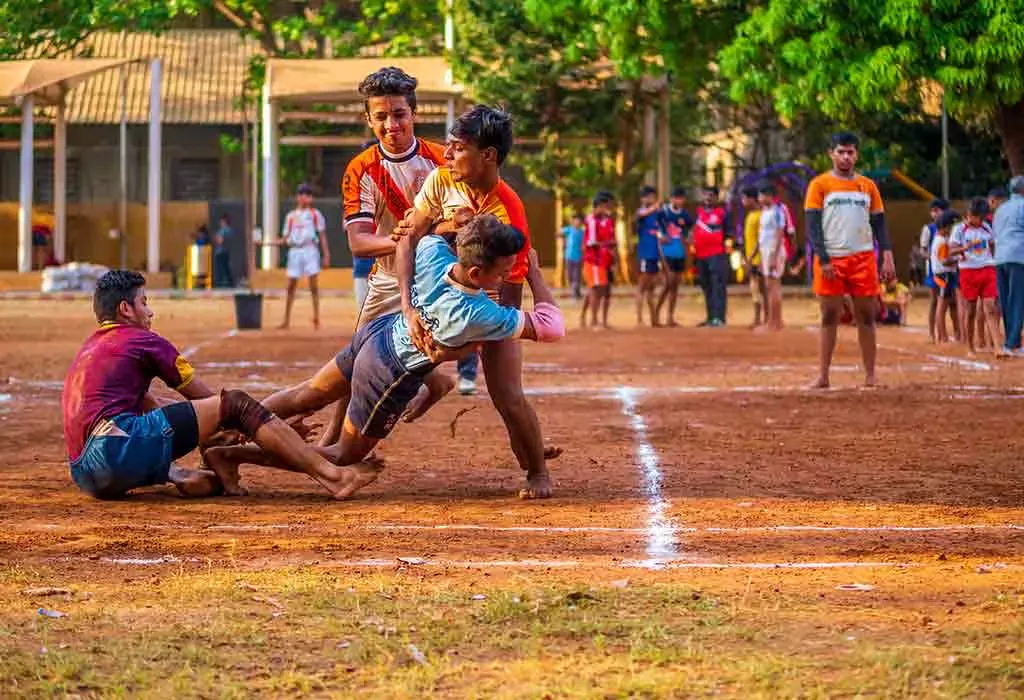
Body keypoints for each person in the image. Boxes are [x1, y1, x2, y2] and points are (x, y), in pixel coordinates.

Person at [207, 216, 565, 497]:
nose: (505, 280)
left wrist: (453, 228)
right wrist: (533, 274)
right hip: (388, 374)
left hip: (377, 332)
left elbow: (412, 237)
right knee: (342, 455)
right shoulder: (477, 312)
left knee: (307, 394)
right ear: (476, 273)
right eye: (503, 272)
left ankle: (226, 430)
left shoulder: (433, 255)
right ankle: (231, 455)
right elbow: (552, 326)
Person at [61, 270, 377, 501]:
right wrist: (264, 425)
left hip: (86, 473)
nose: (151, 311)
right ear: (125, 310)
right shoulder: (143, 341)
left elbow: (153, 406)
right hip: (115, 451)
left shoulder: (94, 348)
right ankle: (332, 477)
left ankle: (214, 466)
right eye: (144, 302)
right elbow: (216, 403)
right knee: (236, 403)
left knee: (205, 469)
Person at [393, 105, 560, 498]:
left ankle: (536, 470)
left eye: (457, 148)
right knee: (397, 352)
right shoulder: (441, 180)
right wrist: (408, 306)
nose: (446, 155)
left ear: (488, 156)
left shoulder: (510, 215)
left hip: (488, 303)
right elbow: (409, 237)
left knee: (507, 394)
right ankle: (432, 383)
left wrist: (474, 342)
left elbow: (509, 295)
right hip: (437, 293)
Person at [323, 68, 452, 441]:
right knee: (357, 354)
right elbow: (359, 242)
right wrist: (402, 240)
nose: (391, 124)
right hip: (388, 277)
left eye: (399, 114)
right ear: (368, 120)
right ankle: (331, 438)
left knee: (458, 343)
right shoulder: (360, 169)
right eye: (381, 116)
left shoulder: (443, 161)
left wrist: (427, 235)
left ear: (414, 114)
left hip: (438, 276)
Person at [805, 132, 895, 389]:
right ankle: (823, 376)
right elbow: (812, 226)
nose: (846, 157)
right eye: (841, 151)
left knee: (867, 316)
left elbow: (879, 224)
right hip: (831, 259)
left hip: (863, 258)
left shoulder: (868, 186)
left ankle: (871, 375)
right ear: (831, 153)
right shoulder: (819, 185)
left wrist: (887, 255)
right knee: (829, 316)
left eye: (851, 152)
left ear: (856, 155)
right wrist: (822, 258)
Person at [269, 184, 331, 330]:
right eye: (302, 194)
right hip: (295, 251)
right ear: (298, 197)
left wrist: (326, 254)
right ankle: (286, 319)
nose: (304, 197)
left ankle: (316, 318)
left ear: (311, 198)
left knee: (313, 286)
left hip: (310, 250)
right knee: (290, 286)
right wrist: (269, 243)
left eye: (307, 194)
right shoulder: (291, 216)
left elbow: (322, 236)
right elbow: (285, 238)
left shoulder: (316, 215)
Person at [950, 197, 1002, 355]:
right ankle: (970, 346)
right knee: (971, 310)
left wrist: (992, 259)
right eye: (973, 216)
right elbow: (951, 250)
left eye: (978, 217)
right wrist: (965, 248)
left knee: (990, 307)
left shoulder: (986, 228)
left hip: (987, 269)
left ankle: (997, 346)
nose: (975, 219)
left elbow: (993, 244)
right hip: (968, 271)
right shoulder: (959, 229)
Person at [919, 198, 960, 342]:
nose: (934, 213)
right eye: (933, 210)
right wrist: (933, 257)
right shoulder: (929, 230)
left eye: (937, 210)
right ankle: (933, 333)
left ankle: (956, 332)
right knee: (936, 302)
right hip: (936, 269)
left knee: (951, 302)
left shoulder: (949, 232)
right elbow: (923, 250)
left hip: (944, 268)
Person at [993, 175, 1024, 356]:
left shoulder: (1000, 209)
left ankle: (1010, 341)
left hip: (1001, 256)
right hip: (1019, 256)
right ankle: (1013, 344)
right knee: (1018, 299)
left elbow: (997, 232)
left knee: (1005, 300)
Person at [693, 185, 730, 327]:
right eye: (705, 195)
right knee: (706, 285)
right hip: (701, 255)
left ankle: (719, 317)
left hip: (717, 254)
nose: (708, 198)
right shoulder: (698, 213)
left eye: (711, 195)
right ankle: (710, 316)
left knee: (718, 285)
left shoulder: (722, 213)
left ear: (716, 197)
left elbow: (728, 232)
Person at [655, 187, 692, 326]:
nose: (679, 201)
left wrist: (688, 239)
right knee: (667, 283)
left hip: (679, 251)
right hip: (666, 251)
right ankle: (656, 313)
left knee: (675, 285)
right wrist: (660, 236)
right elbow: (656, 227)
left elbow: (689, 229)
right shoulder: (663, 212)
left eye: (681, 198)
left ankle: (670, 316)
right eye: (676, 198)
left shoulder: (685, 216)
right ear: (671, 199)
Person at [582, 191, 617, 330]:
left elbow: (611, 240)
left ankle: (602, 320)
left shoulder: (609, 221)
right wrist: (608, 243)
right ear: (597, 206)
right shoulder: (591, 220)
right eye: (603, 206)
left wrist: (614, 257)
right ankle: (594, 320)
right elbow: (591, 243)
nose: (606, 209)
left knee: (604, 290)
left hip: (606, 260)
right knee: (596, 289)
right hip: (594, 260)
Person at [755, 183, 787, 330]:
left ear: (769, 196)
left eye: (761, 195)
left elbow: (780, 234)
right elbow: (762, 236)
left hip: (774, 250)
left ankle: (775, 322)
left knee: (774, 286)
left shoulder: (777, 212)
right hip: (766, 250)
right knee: (769, 286)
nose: (759, 198)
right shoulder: (764, 211)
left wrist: (774, 255)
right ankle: (774, 321)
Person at [634, 185, 665, 327]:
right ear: (643, 198)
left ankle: (654, 318)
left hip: (655, 254)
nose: (651, 199)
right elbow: (639, 216)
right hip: (645, 253)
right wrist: (654, 207)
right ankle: (639, 319)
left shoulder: (656, 215)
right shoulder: (641, 212)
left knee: (651, 287)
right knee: (642, 286)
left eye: (653, 197)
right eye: (649, 197)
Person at [929, 209, 961, 344]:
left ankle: (947, 335)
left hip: (941, 274)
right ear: (945, 227)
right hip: (944, 275)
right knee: (942, 306)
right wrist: (959, 258)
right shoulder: (942, 241)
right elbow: (944, 260)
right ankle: (943, 336)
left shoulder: (939, 239)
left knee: (946, 304)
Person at [739, 188, 765, 327]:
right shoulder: (750, 215)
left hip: (758, 258)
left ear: (751, 199)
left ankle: (764, 318)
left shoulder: (760, 215)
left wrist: (751, 257)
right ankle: (758, 318)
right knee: (754, 288)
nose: (743, 201)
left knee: (760, 288)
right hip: (751, 257)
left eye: (744, 198)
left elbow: (761, 239)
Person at [561, 212, 585, 300]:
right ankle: (577, 292)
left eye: (579, 221)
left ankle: (575, 294)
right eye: (575, 221)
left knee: (576, 276)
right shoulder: (569, 230)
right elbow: (559, 233)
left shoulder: (582, 233)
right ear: (573, 221)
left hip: (578, 257)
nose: (577, 222)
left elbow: (584, 244)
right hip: (568, 256)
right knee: (570, 276)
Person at [213, 213, 234, 288]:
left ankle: (218, 285)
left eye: (221, 221)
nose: (220, 222)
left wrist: (216, 238)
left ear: (223, 221)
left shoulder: (222, 230)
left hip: (220, 252)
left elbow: (220, 241)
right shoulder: (230, 230)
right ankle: (231, 284)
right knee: (226, 268)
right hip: (226, 252)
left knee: (220, 269)